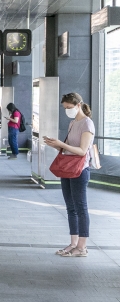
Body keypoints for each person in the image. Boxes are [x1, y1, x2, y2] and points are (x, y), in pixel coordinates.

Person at [44, 92, 95, 257]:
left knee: (81, 207)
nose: (67, 110)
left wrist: (60, 144)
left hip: (80, 170)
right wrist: (56, 145)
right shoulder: (73, 123)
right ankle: (73, 243)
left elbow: (82, 151)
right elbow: (68, 147)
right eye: (65, 108)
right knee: (70, 207)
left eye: (69, 107)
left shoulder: (87, 124)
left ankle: (82, 247)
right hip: (68, 168)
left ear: (78, 105)